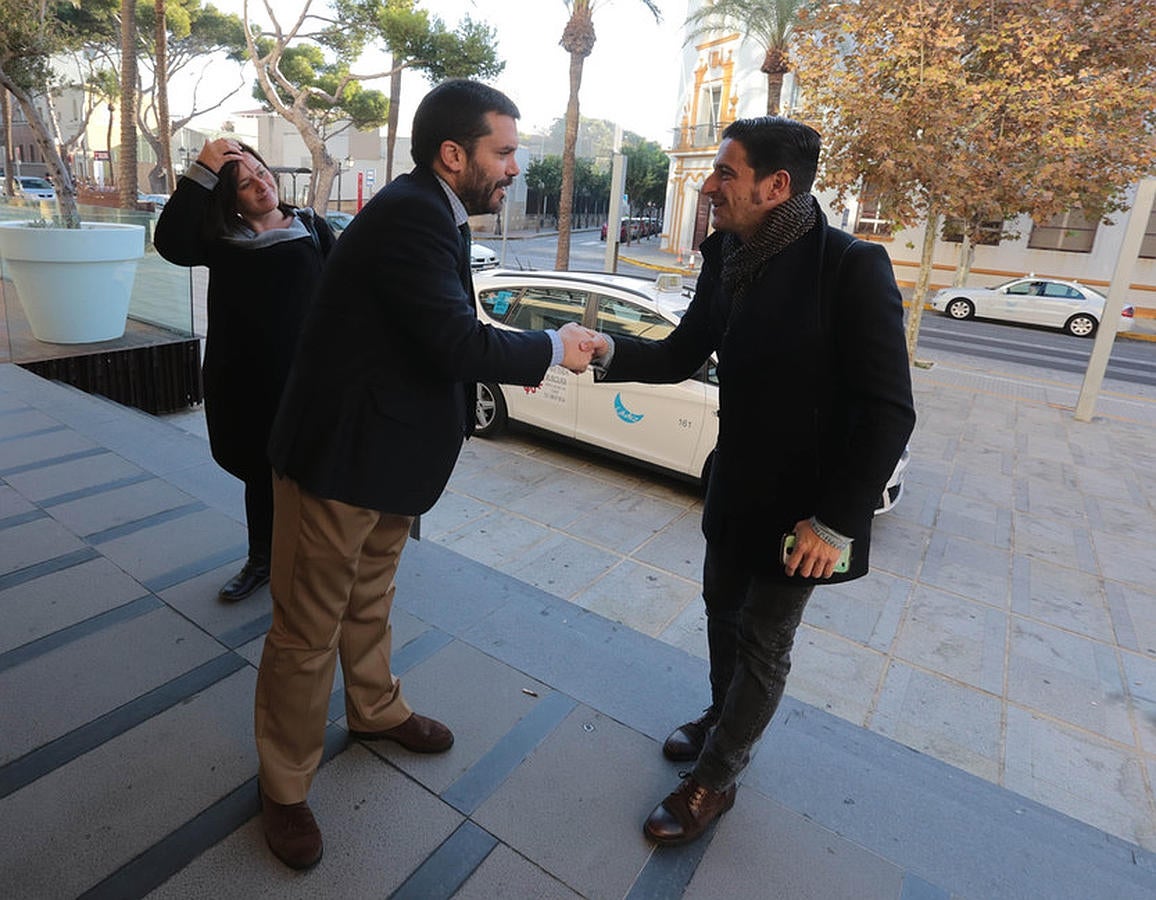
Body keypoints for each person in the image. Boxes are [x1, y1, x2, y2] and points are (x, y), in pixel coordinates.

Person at [255, 79, 600, 870]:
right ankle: (283, 787)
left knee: (368, 600)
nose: (515, 167)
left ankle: (373, 710)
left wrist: (519, 345)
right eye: (503, 151)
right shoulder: (414, 214)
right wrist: (550, 347)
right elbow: (453, 343)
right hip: (339, 462)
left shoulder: (430, 212)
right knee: (307, 631)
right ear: (454, 154)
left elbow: (431, 334)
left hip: (384, 464)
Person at [589, 116, 916, 845]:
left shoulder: (850, 266)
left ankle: (715, 778)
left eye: (725, 174)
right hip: (733, 490)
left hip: (804, 518)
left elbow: (890, 411)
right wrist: (606, 347)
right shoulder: (728, 256)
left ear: (777, 186)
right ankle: (718, 717)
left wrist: (834, 523)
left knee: (765, 644)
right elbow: (682, 354)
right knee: (720, 617)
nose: (709, 186)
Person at [154, 139, 334, 602]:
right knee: (260, 474)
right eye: (246, 182)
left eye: (262, 172)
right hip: (245, 383)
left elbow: (346, 299)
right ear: (229, 197)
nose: (261, 184)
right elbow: (169, 241)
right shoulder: (221, 241)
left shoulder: (311, 228)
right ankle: (262, 561)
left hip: (306, 384)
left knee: (311, 479)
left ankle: (313, 566)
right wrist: (202, 168)